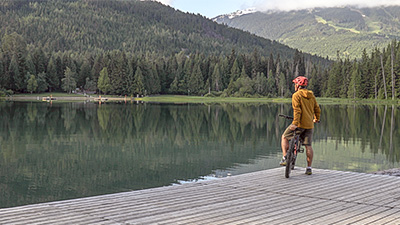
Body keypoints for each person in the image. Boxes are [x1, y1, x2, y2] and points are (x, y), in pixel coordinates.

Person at [280, 76, 321, 175]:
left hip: (299, 124)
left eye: (295, 84)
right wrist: (316, 119)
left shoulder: (296, 95)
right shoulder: (311, 95)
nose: (295, 85)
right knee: (308, 146)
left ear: (298, 85)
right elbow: (317, 109)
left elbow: (297, 111)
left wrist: (295, 124)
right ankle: (309, 168)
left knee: (284, 137)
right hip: (309, 125)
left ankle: (285, 157)